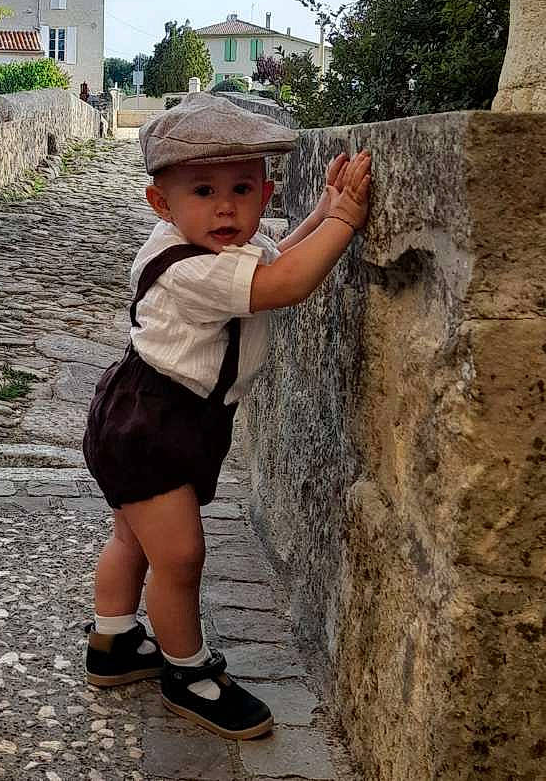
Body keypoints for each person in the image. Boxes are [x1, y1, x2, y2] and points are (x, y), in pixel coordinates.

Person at [82, 93, 371, 740]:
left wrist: (322, 209)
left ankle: (113, 642)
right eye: (204, 190)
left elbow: (275, 256)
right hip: (150, 424)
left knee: (133, 538)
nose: (224, 206)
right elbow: (284, 283)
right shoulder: (189, 269)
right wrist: (346, 221)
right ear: (162, 204)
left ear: (265, 194)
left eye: (242, 189)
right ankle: (186, 672)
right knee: (179, 556)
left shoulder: (224, 244)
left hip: (154, 412)